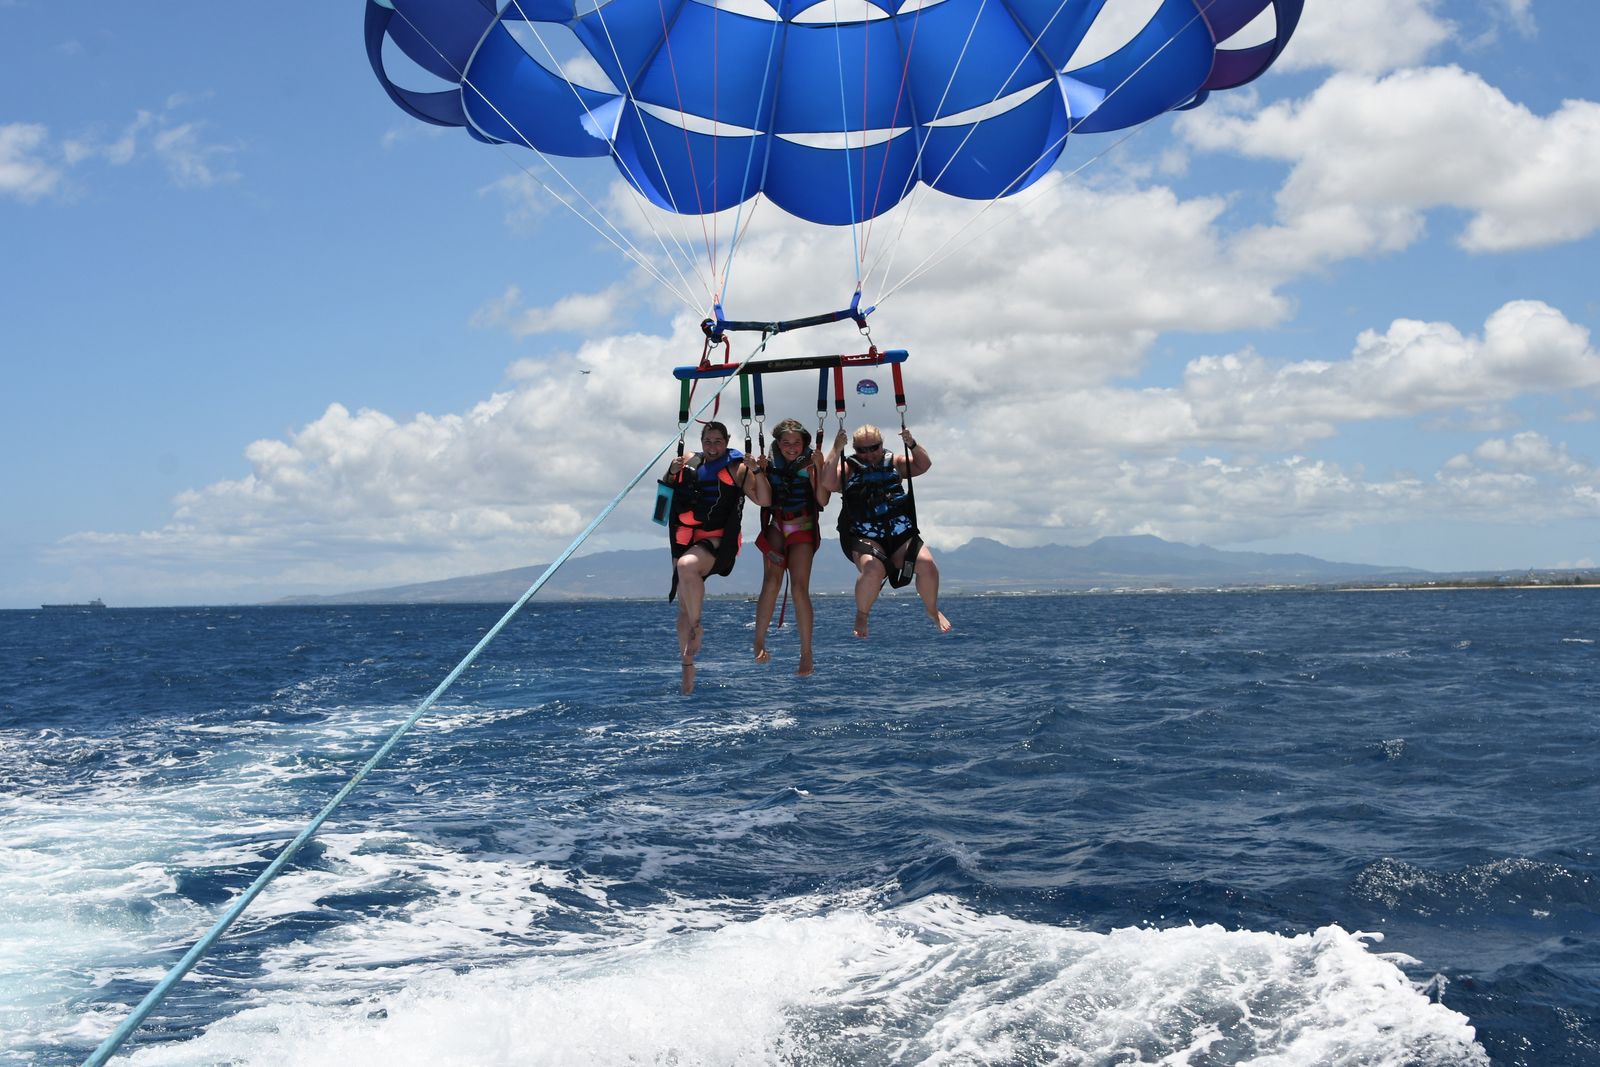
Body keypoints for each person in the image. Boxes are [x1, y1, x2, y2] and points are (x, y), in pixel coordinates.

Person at [663, 421, 770, 694]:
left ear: (727, 442)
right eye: (708, 441)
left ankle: (697, 627)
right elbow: (668, 491)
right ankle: (687, 666)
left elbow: (764, 500)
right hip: (685, 536)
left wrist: (758, 471)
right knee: (683, 606)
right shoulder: (689, 461)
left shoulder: (737, 469)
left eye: (718, 441)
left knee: (687, 566)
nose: (712, 447)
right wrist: (671, 472)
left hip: (718, 543)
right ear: (701, 442)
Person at [819, 423, 951, 638]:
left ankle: (932, 610)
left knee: (927, 565)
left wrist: (912, 444)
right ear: (854, 449)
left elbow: (923, 464)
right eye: (862, 450)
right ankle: (862, 614)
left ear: (882, 445)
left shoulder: (895, 463)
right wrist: (836, 448)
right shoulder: (849, 469)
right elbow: (828, 482)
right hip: (864, 536)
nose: (869, 454)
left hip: (900, 534)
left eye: (874, 448)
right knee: (873, 570)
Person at [752, 418, 845, 677]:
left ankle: (806, 653)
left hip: (803, 526)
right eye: (786, 442)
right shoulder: (769, 463)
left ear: (804, 443)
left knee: (799, 588)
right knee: (771, 582)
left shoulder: (811, 464)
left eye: (796, 442)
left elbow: (822, 500)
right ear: (778, 443)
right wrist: (758, 471)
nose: (791, 447)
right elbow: (763, 498)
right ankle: (759, 641)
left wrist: (819, 466)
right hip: (777, 524)